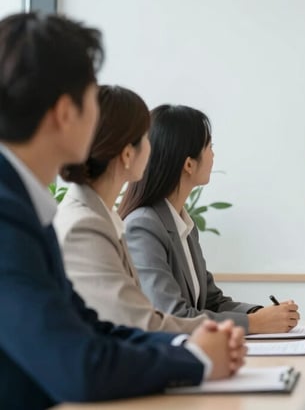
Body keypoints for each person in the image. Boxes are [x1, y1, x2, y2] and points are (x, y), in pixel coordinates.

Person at [0, 12, 245, 409]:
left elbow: (90, 328)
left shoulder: (25, 206)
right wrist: (196, 359)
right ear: (66, 112)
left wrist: (190, 345)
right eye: (92, 98)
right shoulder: (9, 214)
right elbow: (77, 367)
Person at [119, 105, 300, 334]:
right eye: (209, 147)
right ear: (188, 164)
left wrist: (261, 314)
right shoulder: (143, 226)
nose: (213, 154)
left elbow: (212, 302)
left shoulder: (183, 224)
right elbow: (172, 316)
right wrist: (255, 324)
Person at [55, 85, 208, 333]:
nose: (153, 147)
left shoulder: (103, 217)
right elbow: (140, 322)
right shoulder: (84, 225)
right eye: (146, 138)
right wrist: (229, 331)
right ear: (127, 154)